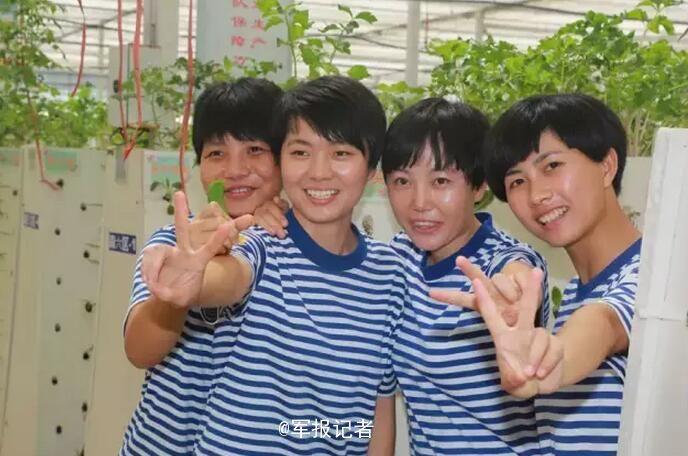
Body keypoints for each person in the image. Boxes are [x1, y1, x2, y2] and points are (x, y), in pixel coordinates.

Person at [141, 76, 404, 455]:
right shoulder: (259, 245)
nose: (319, 172)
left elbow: (377, 411)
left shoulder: (388, 274)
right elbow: (229, 276)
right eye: (300, 152)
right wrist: (189, 281)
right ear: (282, 161)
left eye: (341, 153)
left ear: (372, 170)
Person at [463, 93, 641, 455]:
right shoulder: (578, 291)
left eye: (552, 167)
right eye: (517, 182)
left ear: (607, 166)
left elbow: (605, 324)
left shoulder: (655, 279)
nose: (537, 195)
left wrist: (552, 360)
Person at [120, 78, 283, 455]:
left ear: (284, 158)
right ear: (199, 166)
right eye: (216, 154)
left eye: (255, 149)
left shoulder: (292, 242)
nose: (235, 169)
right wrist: (179, 285)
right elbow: (140, 351)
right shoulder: (172, 242)